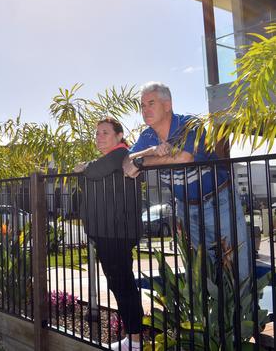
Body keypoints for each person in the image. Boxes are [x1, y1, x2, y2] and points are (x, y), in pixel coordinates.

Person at [122, 81, 250, 281]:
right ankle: (213, 313)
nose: (145, 110)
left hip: (218, 202)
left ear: (167, 105)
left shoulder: (190, 125)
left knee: (236, 265)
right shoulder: (147, 136)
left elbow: (184, 158)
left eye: (151, 103)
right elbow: (126, 163)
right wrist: (150, 151)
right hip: (186, 210)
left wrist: (142, 161)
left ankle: (245, 312)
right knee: (202, 271)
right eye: (143, 105)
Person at [75, 117, 142, 351]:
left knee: (123, 285)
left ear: (119, 136)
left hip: (116, 232)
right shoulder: (111, 158)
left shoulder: (120, 155)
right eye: (97, 134)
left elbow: (93, 171)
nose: (99, 137)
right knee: (119, 284)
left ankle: (135, 341)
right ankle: (132, 337)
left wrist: (85, 168)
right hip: (108, 232)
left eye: (104, 133)